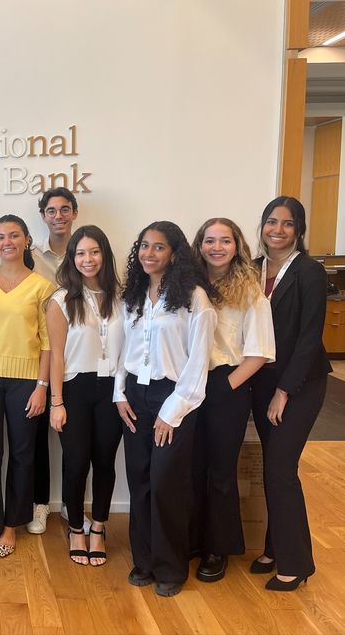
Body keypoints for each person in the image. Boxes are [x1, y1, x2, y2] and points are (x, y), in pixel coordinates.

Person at [114, 220, 216, 597]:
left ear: (175, 253)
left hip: (174, 397)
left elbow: (197, 361)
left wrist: (171, 411)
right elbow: (124, 349)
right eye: (143, 246)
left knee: (166, 484)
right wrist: (119, 393)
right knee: (139, 480)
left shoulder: (194, 297)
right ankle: (144, 560)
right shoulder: (134, 294)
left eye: (158, 247)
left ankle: (171, 567)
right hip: (134, 397)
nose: (148, 253)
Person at [249, 197, 330, 592]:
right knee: (272, 467)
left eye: (287, 223)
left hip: (300, 384)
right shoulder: (253, 270)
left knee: (281, 470)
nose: (277, 230)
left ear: (299, 230)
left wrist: (283, 391)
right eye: (270, 222)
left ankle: (296, 564)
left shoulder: (310, 272)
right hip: (261, 382)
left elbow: (309, 339)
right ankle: (275, 547)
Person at [190, 218, 275, 582]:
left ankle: (217, 548)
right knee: (191, 468)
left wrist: (226, 388)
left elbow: (259, 352)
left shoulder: (251, 292)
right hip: (188, 385)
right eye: (210, 241)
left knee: (221, 472)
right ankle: (192, 538)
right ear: (200, 246)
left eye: (225, 241)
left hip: (228, 385)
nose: (217, 247)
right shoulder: (189, 286)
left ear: (237, 246)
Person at [0, 215, 54, 558]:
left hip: (26, 381)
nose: (8, 241)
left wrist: (41, 386)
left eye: (14, 235)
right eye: (1, 236)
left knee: (22, 453)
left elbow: (47, 342)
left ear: (26, 241)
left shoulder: (42, 287)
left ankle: (10, 525)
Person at [46, 225, 123, 567]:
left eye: (94, 252)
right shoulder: (62, 300)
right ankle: (76, 526)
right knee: (76, 462)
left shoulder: (124, 297)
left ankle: (99, 527)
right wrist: (56, 402)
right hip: (75, 388)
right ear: (72, 258)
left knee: (105, 462)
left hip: (114, 389)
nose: (87, 259)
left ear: (104, 255)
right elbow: (57, 354)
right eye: (80, 253)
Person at [29, 187, 79, 534]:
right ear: (43, 215)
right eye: (51, 210)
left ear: (74, 212)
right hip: (39, 358)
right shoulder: (31, 257)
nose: (58, 216)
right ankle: (40, 505)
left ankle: (72, 506)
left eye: (64, 209)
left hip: (77, 359)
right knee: (35, 440)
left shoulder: (88, 252)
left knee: (74, 441)